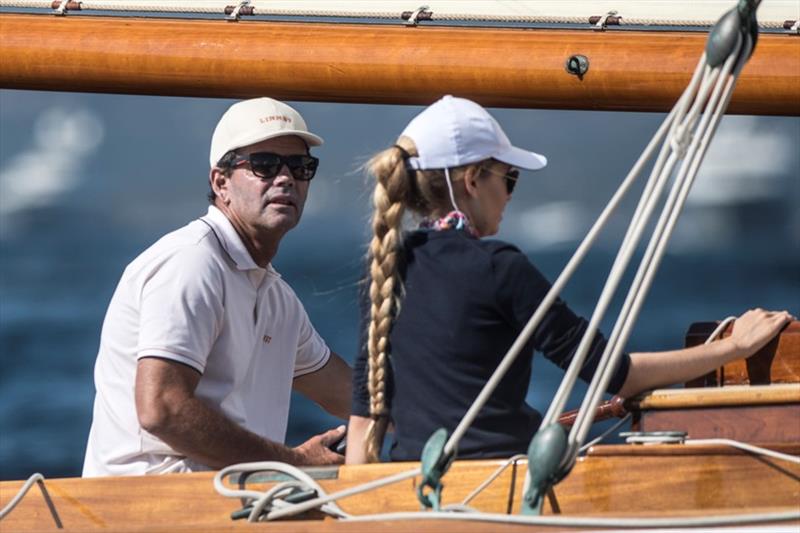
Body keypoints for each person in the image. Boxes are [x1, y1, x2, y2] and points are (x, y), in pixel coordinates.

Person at [345, 95, 793, 464]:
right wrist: (734, 347)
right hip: (503, 488)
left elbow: (366, 422)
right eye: (510, 177)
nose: (510, 194)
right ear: (473, 180)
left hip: (404, 489)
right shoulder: (499, 267)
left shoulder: (385, 271)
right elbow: (615, 376)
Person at [83, 97, 352, 477]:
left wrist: (443, 411)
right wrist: (293, 462)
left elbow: (351, 397)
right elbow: (162, 409)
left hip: (221, 503)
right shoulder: (191, 263)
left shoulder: (276, 298)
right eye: (264, 165)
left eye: (300, 166)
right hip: (145, 507)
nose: (286, 177)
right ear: (220, 183)